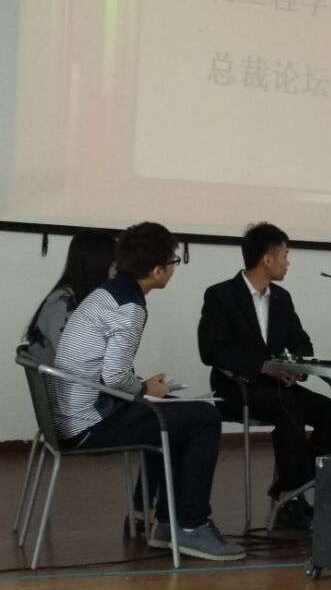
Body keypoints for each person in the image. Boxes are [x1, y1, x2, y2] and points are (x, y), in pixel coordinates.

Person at [54, 221, 244, 561]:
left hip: (74, 415)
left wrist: (146, 390)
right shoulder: (129, 307)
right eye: (173, 262)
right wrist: (143, 387)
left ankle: (166, 522)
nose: (173, 268)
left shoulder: (107, 292)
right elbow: (114, 376)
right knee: (204, 417)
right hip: (89, 423)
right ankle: (191, 526)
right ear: (157, 271)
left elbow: (108, 371)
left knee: (172, 412)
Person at [197, 222, 331, 531]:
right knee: (289, 409)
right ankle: (292, 497)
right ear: (267, 259)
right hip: (238, 387)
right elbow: (211, 351)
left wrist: (294, 367)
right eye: (285, 255)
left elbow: (301, 342)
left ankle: (291, 487)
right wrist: (264, 367)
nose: (288, 262)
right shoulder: (221, 295)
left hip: (281, 387)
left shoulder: (282, 298)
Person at [26, 229, 117, 365]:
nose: (117, 271)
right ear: (95, 266)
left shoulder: (81, 301)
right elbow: (77, 364)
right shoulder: (61, 305)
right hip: (67, 379)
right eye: (112, 264)